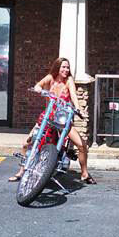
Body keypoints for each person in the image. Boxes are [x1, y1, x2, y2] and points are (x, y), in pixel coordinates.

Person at [9, 57, 95, 185]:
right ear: (57, 68)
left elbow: (73, 95)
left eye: (67, 67)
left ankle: (84, 173)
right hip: (48, 117)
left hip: (62, 119)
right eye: (63, 67)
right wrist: (38, 88)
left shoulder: (69, 80)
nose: (66, 70)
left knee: (81, 145)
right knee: (26, 143)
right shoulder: (50, 78)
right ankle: (22, 171)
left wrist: (78, 109)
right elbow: (38, 85)